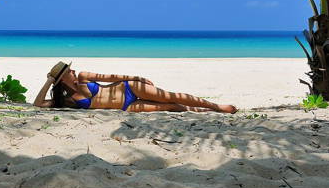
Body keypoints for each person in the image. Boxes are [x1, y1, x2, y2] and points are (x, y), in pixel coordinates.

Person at [33, 61, 237, 113]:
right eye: (69, 71)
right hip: (126, 108)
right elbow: (38, 104)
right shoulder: (67, 101)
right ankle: (201, 110)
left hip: (129, 89)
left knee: (171, 96)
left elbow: (112, 76)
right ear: (61, 79)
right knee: (171, 107)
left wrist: (137, 77)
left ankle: (217, 107)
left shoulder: (84, 76)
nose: (73, 71)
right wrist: (49, 80)